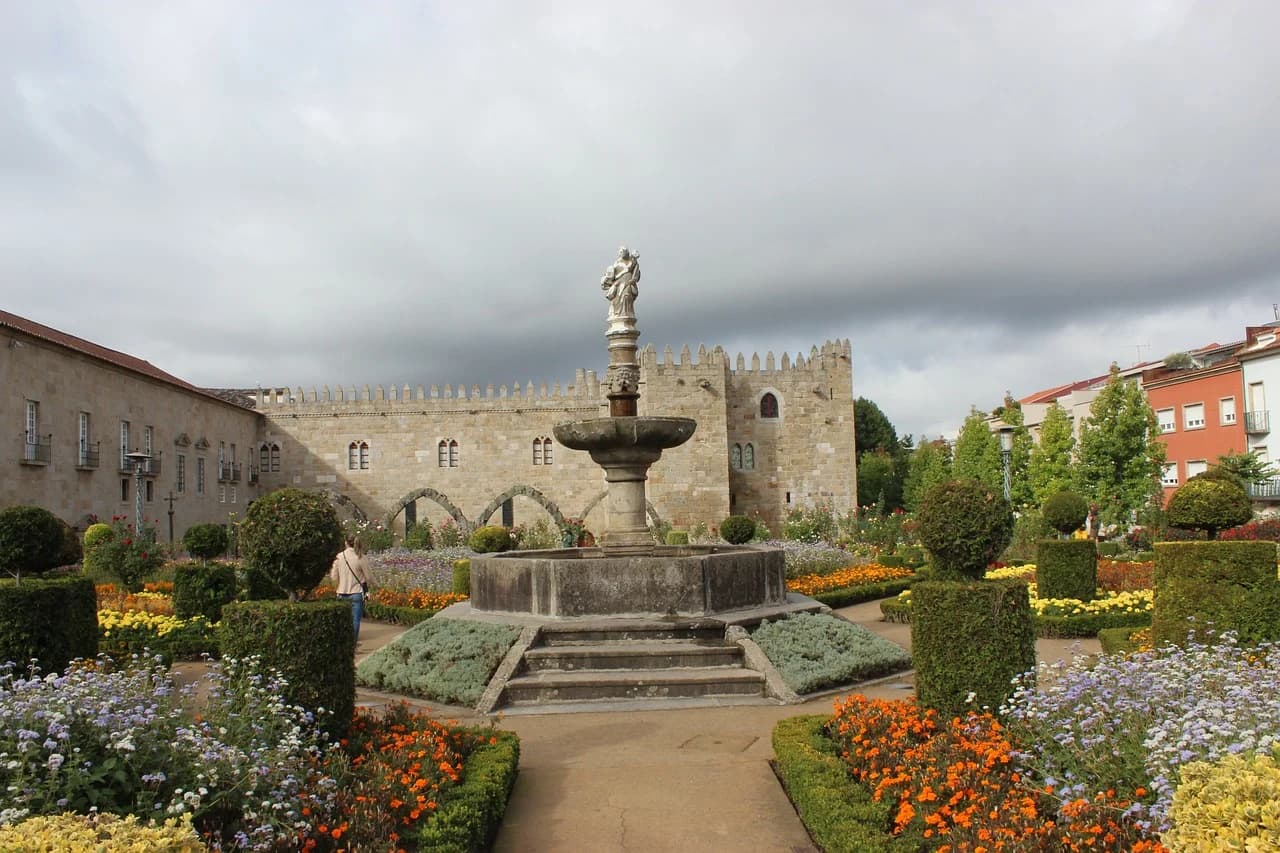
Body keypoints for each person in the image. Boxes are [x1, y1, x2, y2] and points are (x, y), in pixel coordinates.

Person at [330, 535, 373, 643]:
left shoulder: (339, 557)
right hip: (356, 592)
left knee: (342, 620)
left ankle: (343, 641)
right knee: (355, 620)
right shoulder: (360, 557)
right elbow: (368, 577)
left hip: (341, 592)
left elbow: (334, 576)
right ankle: (352, 642)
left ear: (345, 543)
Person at [600, 246, 640, 320]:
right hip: (618, 285)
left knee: (627, 296)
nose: (622, 253)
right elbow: (610, 276)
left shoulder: (632, 262)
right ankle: (618, 314)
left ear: (627, 253)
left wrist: (635, 260)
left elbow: (636, 273)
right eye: (620, 252)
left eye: (623, 252)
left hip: (628, 284)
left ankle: (626, 314)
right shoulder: (616, 264)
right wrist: (605, 280)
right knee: (618, 299)